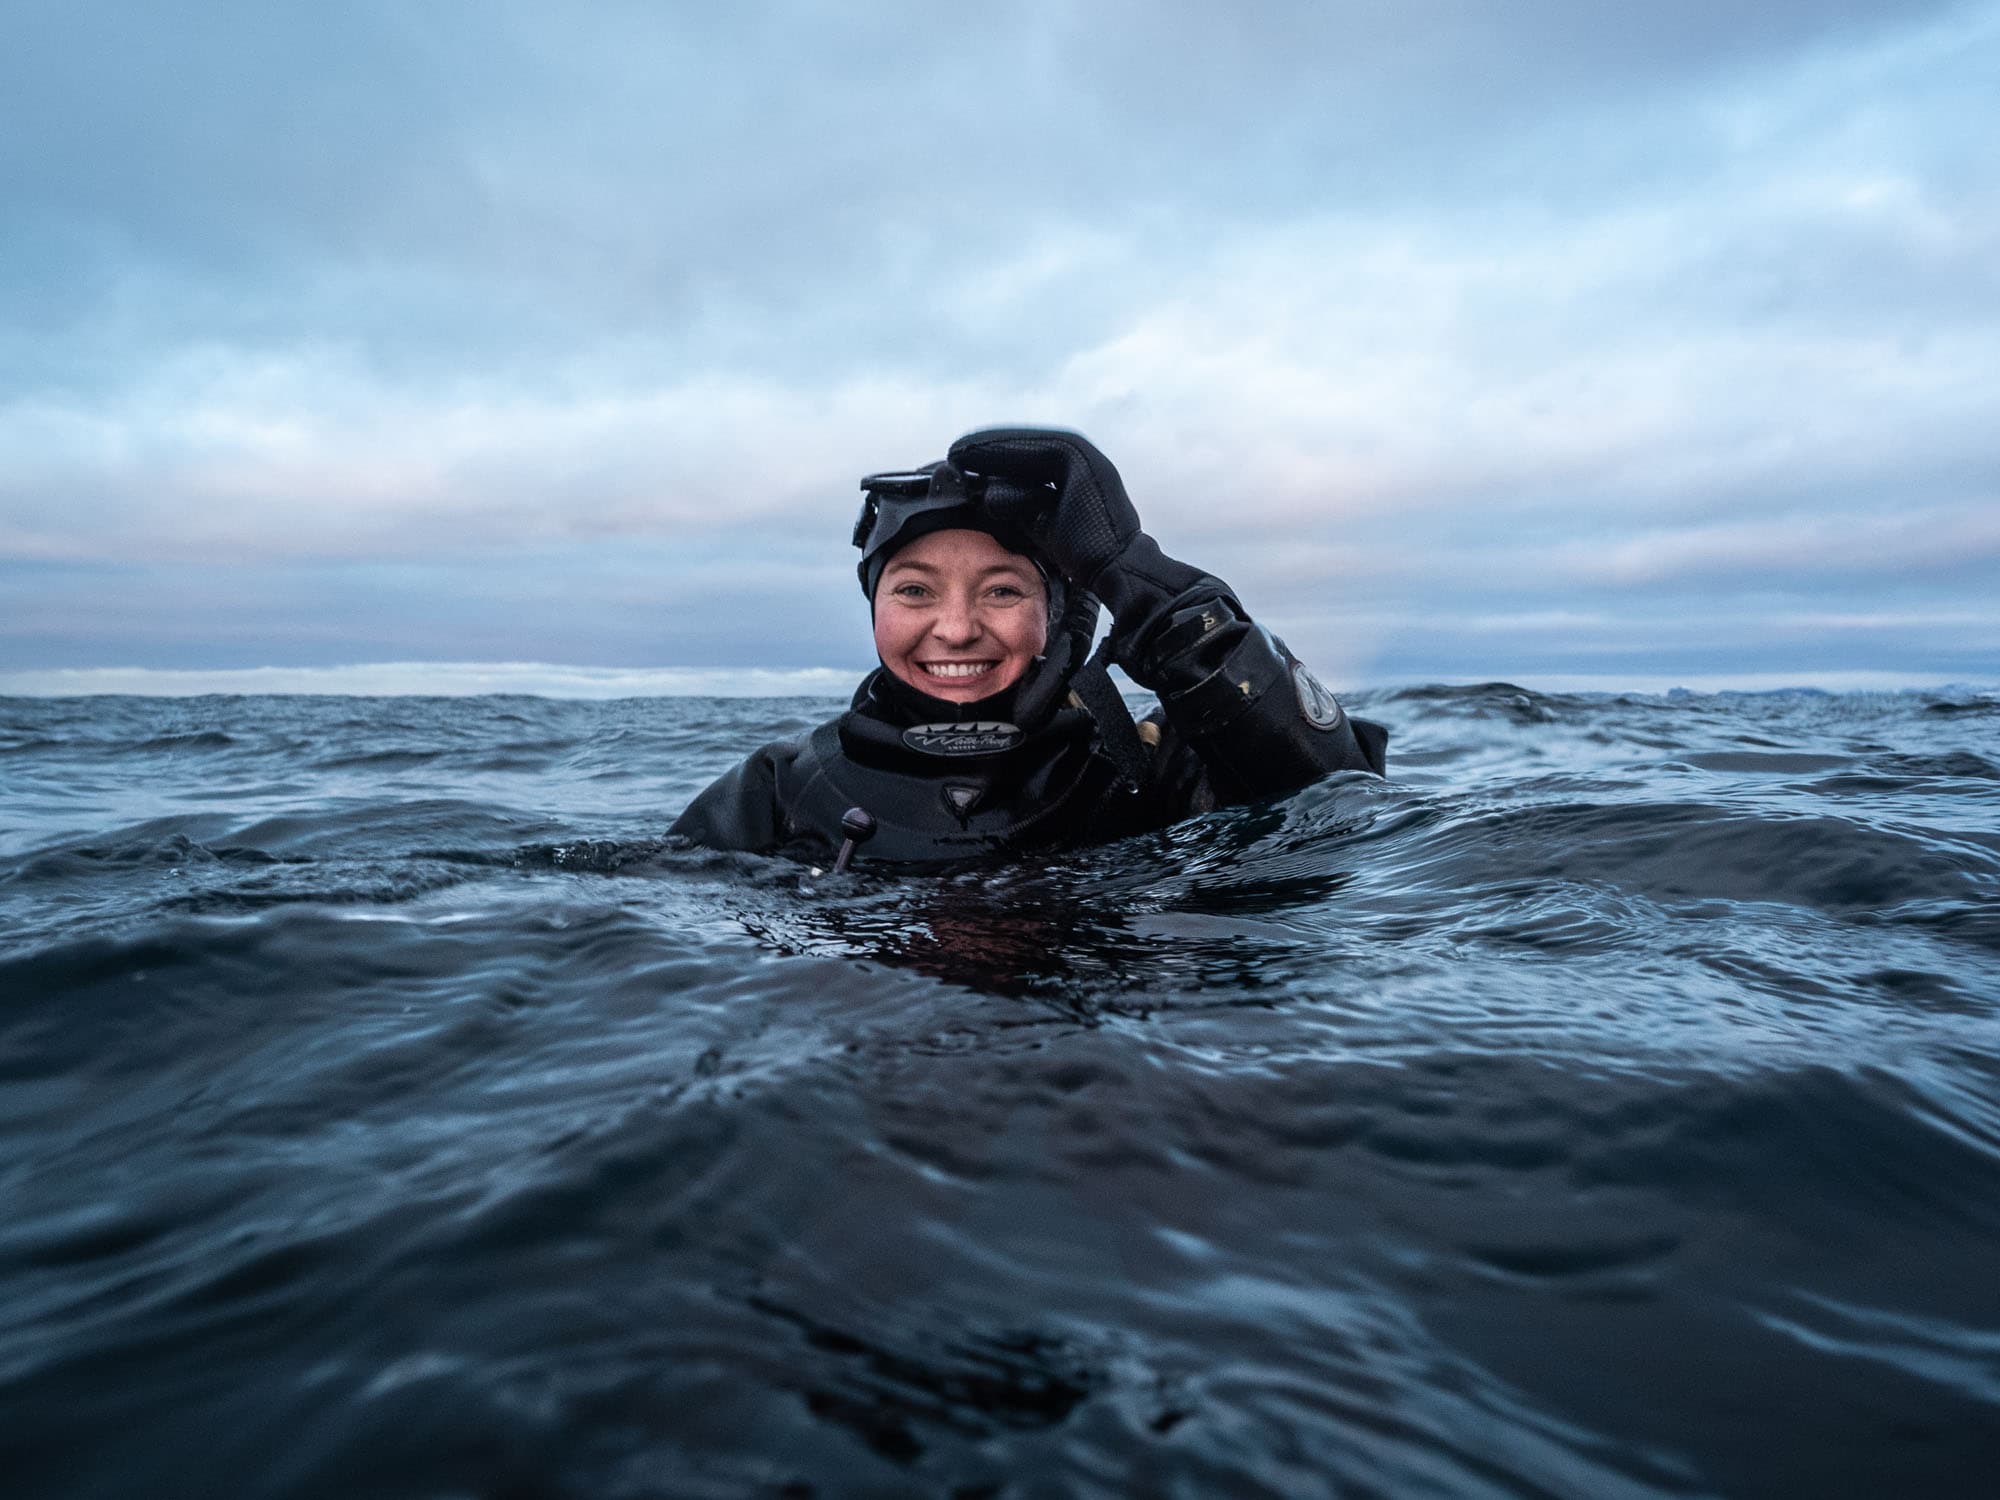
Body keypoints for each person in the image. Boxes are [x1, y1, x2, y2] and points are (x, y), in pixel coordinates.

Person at [669, 427, 1387, 866]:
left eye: (1002, 591)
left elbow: (1345, 813)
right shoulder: (780, 789)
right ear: (873, 605)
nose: (955, 628)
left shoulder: (1153, 766)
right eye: (914, 591)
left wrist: (1138, 579)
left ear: (1057, 613)